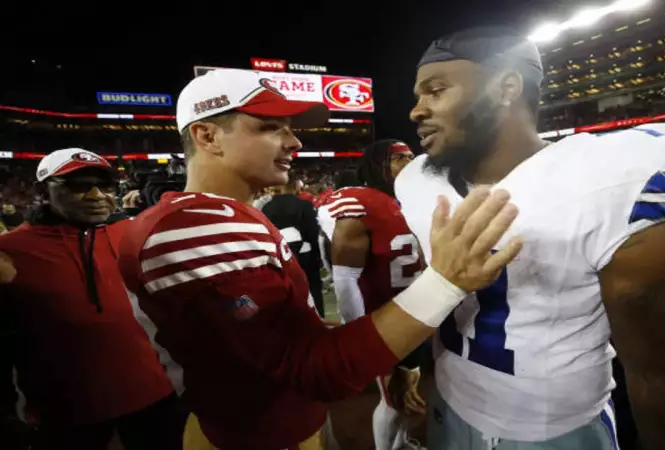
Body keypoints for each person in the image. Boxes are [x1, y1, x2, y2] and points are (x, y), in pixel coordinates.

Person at [116, 68, 522, 450]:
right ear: (207, 136)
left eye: (289, 128)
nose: (294, 142)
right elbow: (314, 370)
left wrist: (380, 349)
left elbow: (277, 338)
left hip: (271, 423)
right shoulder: (197, 225)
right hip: (256, 437)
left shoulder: (219, 214)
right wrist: (445, 282)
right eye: (269, 127)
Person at [398, 27, 665, 450]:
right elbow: (440, 300)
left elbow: (662, 376)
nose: (416, 111)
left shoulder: (607, 181)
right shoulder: (417, 181)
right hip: (448, 405)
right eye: (418, 96)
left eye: (436, 91)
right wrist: (431, 377)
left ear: (506, 87)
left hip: (554, 432)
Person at [0, 148, 182, 450]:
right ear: (42, 191)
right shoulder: (9, 251)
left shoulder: (133, 232)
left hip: (152, 395)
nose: (97, 195)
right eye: (78, 186)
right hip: (67, 411)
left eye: (105, 185)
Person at [318, 139, 422, 450]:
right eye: (398, 158)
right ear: (377, 164)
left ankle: (401, 442)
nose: (408, 163)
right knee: (392, 399)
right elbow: (345, 279)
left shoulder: (413, 199)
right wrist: (360, 334)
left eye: (411, 156)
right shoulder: (359, 203)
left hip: (417, 310)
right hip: (384, 315)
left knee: (410, 392)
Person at [262, 173, 325, 316]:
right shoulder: (304, 205)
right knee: (313, 289)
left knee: (287, 294)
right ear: (296, 186)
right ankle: (318, 321)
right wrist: (318, 256)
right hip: (305, 256)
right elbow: (313, 232)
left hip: (280, 257)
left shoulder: (266, 207)